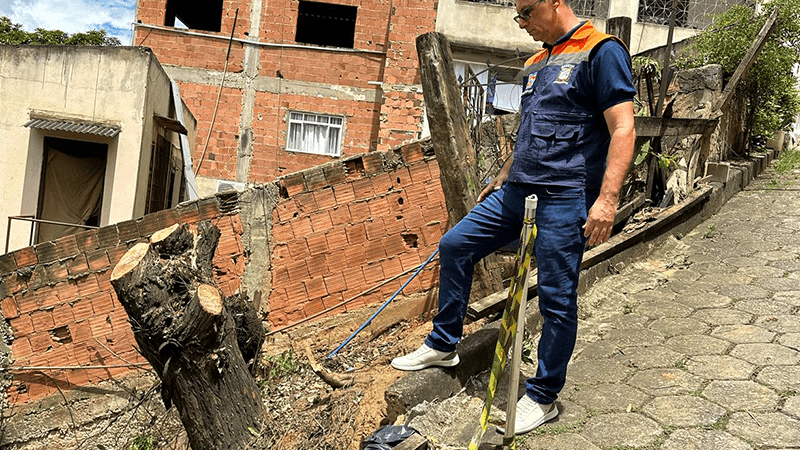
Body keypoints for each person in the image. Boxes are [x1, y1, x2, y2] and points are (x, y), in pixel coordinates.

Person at [390, 0, 636, 436]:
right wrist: (504, 174)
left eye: (526, 12)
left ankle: (543, 396)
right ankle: (444, 344)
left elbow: (623, 128)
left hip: (566, 195)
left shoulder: (602, 50)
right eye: (517, 16)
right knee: (455, 245)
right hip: (519, 189)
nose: (521, 23)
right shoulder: (536, 62)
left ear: (556, 2)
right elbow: (531, 128)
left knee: (557, 298)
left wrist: (607, 199)